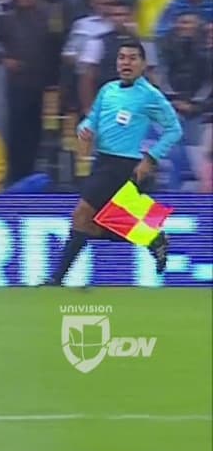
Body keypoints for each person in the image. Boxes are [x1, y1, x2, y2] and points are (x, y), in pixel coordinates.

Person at [45, 40, 181, 286]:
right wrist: (84, 129)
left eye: (132, 58)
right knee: (94, 224)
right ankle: (152, 238)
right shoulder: (108, 90)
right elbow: (92, 119)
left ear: (143, 64)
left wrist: (151, 157)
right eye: (122, 58)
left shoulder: (150, 95)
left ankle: (56, 280)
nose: (126, 63)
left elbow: (174, 129)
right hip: (102, 161)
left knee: (81, 214)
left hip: (124, 165)